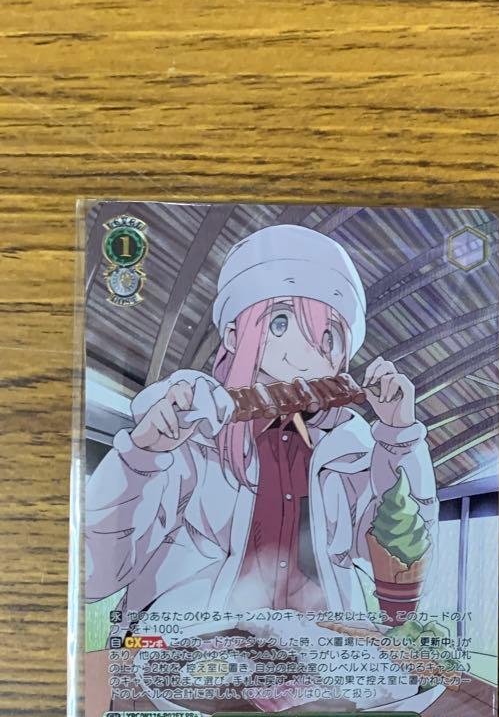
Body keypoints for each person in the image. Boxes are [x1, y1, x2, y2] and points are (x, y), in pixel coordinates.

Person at [85, 224, 437, 618]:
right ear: (233, 335)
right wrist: (141, 457)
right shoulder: (190, 434)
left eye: (329, 338)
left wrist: (399, 439)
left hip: (317, 649)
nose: (304, 355)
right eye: (280, 323)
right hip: (190, 649)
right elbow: (92, 576)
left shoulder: (349, 454)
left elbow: (404, 559)